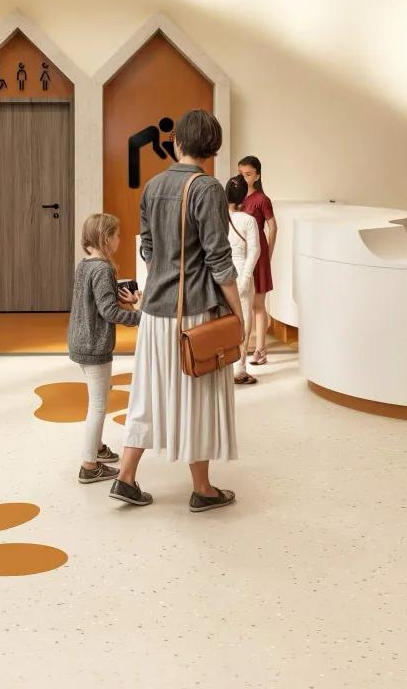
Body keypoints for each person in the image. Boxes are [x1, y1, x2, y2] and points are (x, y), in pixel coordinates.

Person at [113, 108, 247, 513]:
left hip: (155, 312)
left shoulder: (153, 185)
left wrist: (164, 277)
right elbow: (219, 261)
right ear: (214, 150)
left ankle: (125, 477)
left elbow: (148, 247)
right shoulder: (207, 189)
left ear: (176, 143)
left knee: (147, 391)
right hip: (193, 313)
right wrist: (238, 315)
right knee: (198, 394)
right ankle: (203, 489)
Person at [67, 214, 142, 484]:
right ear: (106, 238)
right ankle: (89, 465)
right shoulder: (103, 270)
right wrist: (139, 316)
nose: (120, 239)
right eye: (118, 234)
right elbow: (109, 312)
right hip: (94, 344)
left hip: (79, 340)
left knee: (101, 392)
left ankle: (97, 449)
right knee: (98, 405)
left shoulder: (85, 265)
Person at [237, 155, 276, 366]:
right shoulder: (237, 197)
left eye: (248, 174)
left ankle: (260, 349)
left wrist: (268, 255)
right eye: (241, 173)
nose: (243, 177)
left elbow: (273, 226)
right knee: (245, 304)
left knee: (257, 305)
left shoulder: (262, 199)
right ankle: (246, 349)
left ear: (257, 176)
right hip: (242, 256)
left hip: (257, 255)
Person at [225, 174, 263, 387]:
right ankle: (239, 367)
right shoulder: (248, 220)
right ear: (244, 198)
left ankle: (221, 364)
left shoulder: (217, 217)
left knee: (221, 319)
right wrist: (246, 277)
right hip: (241, 271)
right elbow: (254, 251)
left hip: (220, 273)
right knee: (244, 319)